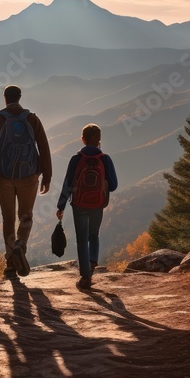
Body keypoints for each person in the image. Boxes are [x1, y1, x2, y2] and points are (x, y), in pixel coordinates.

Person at [0, 85, 52, 278]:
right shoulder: (32, 119)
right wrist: (47, 176)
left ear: (5, 98)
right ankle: (20, 245)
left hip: (3, 177)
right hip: (29, 177)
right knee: (26, 216)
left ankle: (11, 262)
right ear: (20, 97)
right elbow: (44, 148)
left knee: (8, 219)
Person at [56, 123, 118, 290]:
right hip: (98, 204)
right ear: (99, 139)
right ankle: (92, 263)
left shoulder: (76, 159)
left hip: (79, 204)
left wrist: (61, 205)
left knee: (81, 239)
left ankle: (85, 277)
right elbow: (114, 185)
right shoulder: (105, 159)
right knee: (94, 235)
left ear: (82, 139)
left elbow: (68, 184)